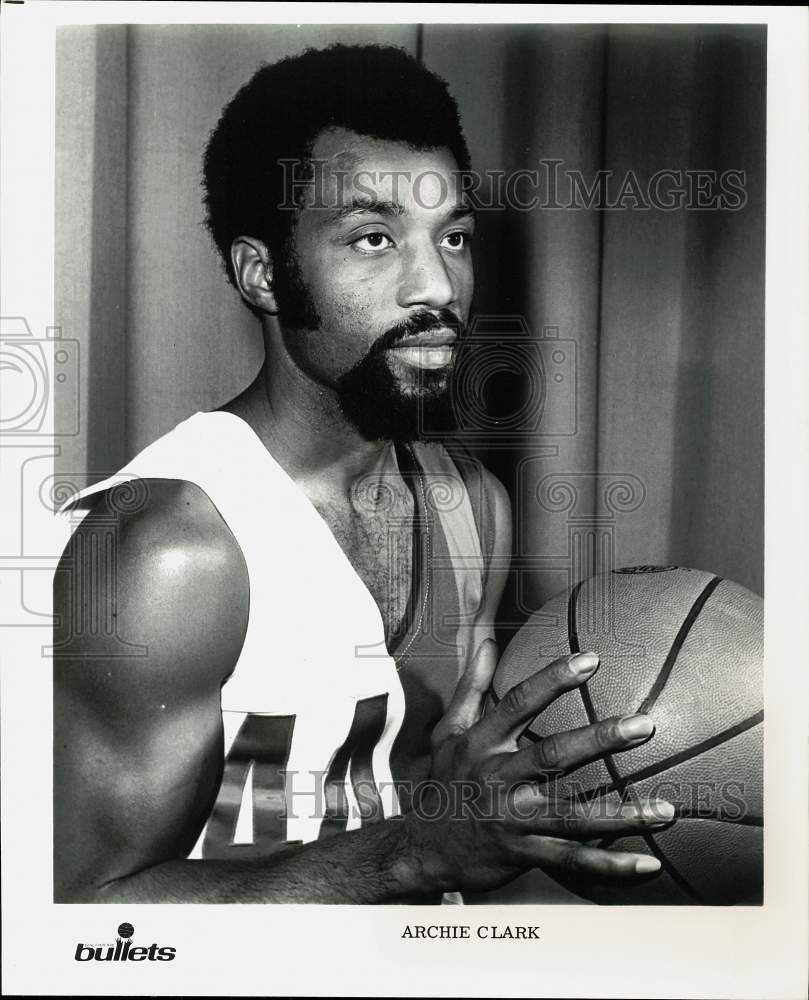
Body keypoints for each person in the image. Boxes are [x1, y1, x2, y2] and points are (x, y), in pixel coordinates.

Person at [53, 43, 673, 904]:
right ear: (263, 274)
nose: (437, 285)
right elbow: (83, 921)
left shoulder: (472, 508)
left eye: (452, 235)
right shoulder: (168, 550)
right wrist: (413, 854)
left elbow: (418, 809)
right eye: (374, 237)